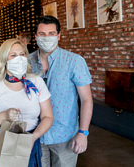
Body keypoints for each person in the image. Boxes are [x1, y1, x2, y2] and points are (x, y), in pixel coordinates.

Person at [29, 16, 92, 167]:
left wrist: (83, 132)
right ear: (36, 36)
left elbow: (86, 99)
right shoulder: (26, 62)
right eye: (42, 34)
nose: (47, 38)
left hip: (64, 135)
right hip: (34, 135)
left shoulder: (74, 61)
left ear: (58, 35)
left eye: (51, 33)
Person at [0, 39, 52, 167]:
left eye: (22, 54)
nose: (19, 58)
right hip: (2, 142)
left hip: (31, 140)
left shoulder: (36, 82)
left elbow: (48, 117)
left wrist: (33, 138)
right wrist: (4, 116)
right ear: (4, 59)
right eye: (13, 55)